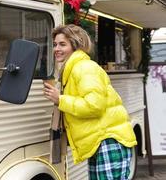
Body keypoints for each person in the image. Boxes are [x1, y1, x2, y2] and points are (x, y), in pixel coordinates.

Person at [43, 24, 137, 180]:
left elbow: (95, 106)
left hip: (107, 140)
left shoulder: (84, 67)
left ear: (76, 45)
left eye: (62, 44)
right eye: (55, 44)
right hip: (100, 141)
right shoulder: (72, 68)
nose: (56, 49)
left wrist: (60, 99)